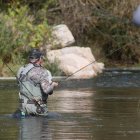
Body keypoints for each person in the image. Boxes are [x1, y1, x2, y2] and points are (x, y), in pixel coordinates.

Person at [17, 48, 58, 117]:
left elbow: (19, 85)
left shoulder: (21, 70)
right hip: (37, 109)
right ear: (40, 59)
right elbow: (48, 91)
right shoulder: (42, 72)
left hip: (23, 108)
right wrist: (53, 85)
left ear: (29, 58)